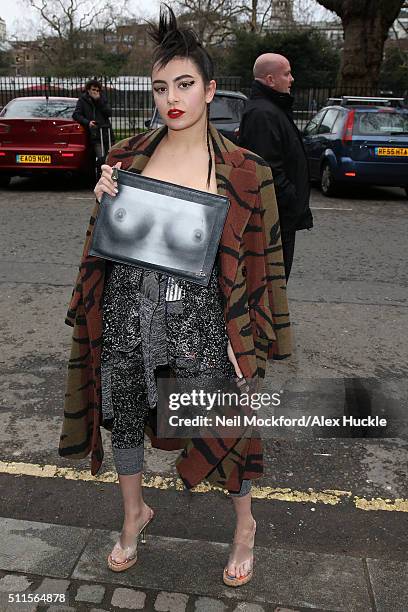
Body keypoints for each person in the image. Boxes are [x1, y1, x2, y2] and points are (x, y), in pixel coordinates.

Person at [59, 6, 290, 587]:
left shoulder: (243, 170)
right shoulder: (126, 158)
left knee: (227, 425)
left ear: (210, 90)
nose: (172, 98)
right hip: (127, 311)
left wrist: (253, 339)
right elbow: (105, 247)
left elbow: (265, 263)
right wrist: (103, 198)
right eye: (160, 87)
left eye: (184, 84)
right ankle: (133, 515)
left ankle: (245, 528)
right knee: (127, 416)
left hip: (204, 322)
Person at [238, 53, 313, 281]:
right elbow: (266, 170)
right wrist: (291, 199)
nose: (291, 79)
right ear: (270, 80)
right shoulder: (263, 114)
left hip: (280, 217)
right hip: (274, 219)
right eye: (287, 74)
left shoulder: (272, 110)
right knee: (272, 285)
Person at [72, 79, 115, 174]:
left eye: (97, 90)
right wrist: (87, 122)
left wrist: (98, 101)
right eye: (93, 89)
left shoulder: (102, 99)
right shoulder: (83, 100)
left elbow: (108, 113)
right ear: (88, 90)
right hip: (95, 133)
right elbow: (76, 115)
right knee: (101, 158)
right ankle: (101, 176)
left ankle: (111, 178)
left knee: (110, 157)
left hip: (106, 132)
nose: (95, 92)